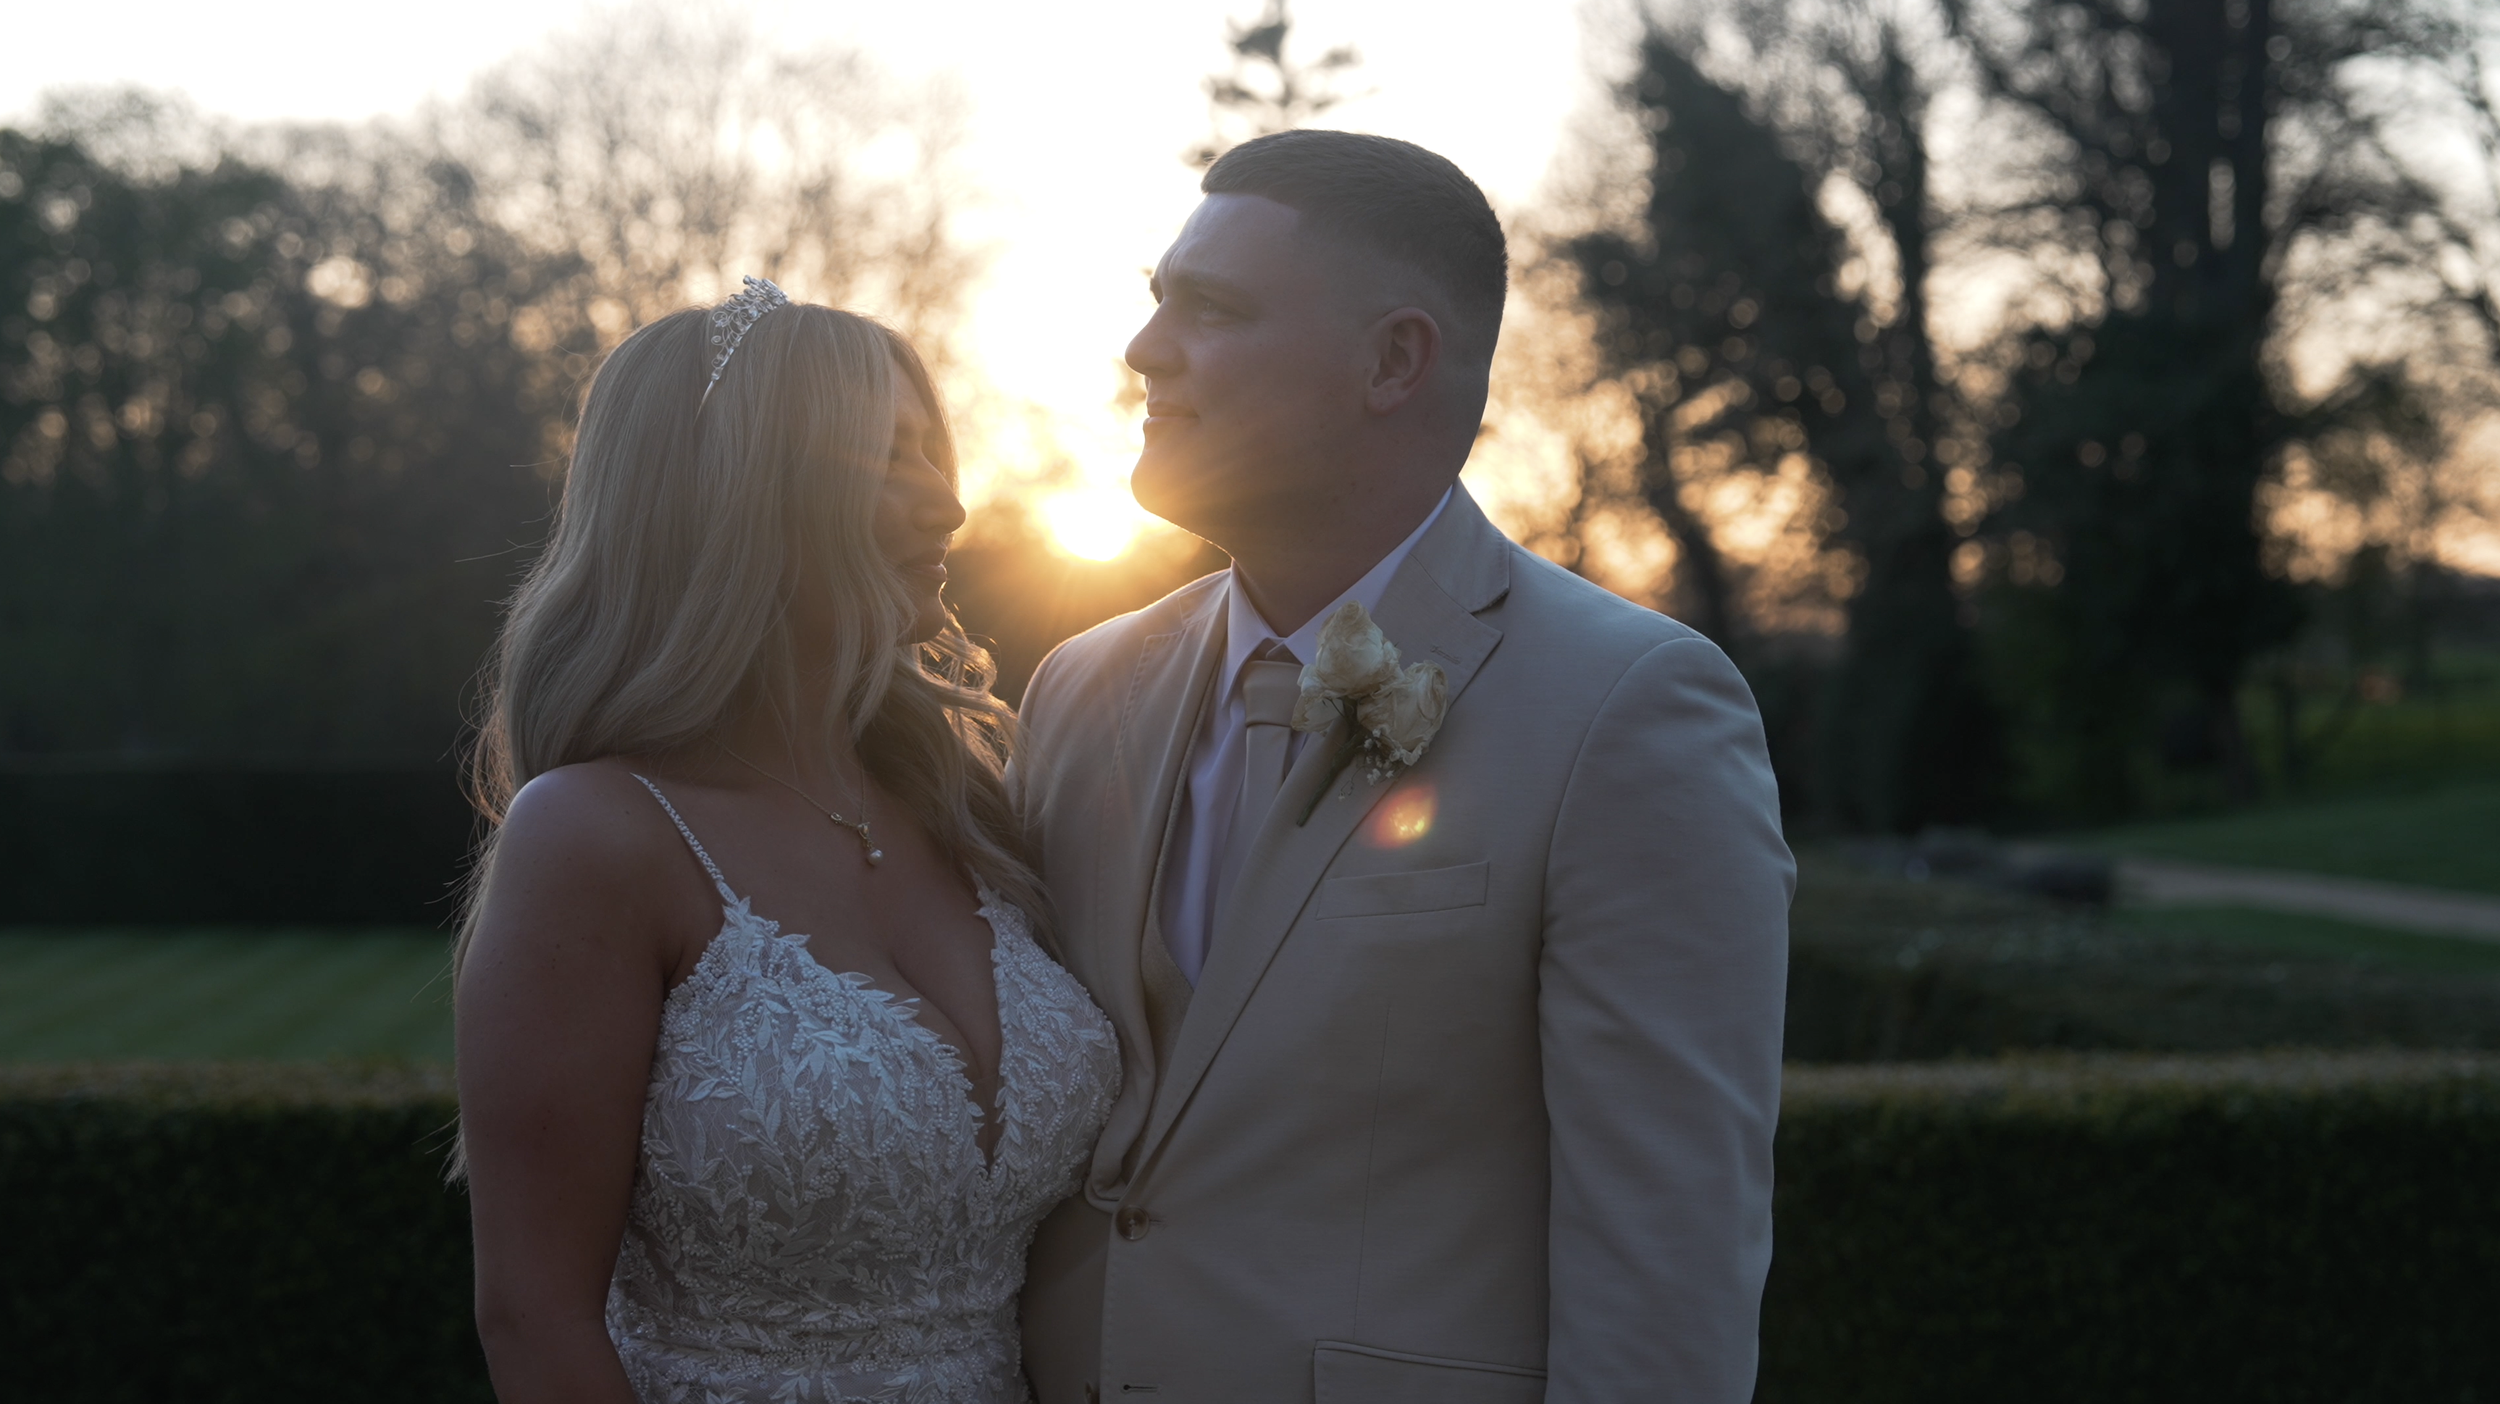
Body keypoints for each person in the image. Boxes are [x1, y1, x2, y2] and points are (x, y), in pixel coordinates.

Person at [1014, 131, 1794, 1402]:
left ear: (1392, 360)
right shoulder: (1078, 689)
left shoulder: (1629, 710)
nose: (1145, 350)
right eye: (1156, 302)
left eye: (1208, 310)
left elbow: (1667, 1260)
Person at [453, 281, 1119, 1404]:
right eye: (889, 459)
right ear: (744, 495)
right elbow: (534, 1318)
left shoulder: (972, 809)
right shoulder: (597, 837)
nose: (947, 506)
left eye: (932, 454)